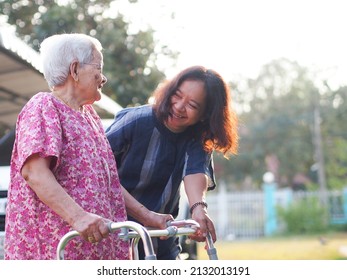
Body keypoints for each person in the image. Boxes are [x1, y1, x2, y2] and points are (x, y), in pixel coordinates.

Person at [4, 33, 130, 260]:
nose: (104, 78)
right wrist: (79, 217)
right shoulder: (44, 106)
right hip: (56, 252)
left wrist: (148, 215)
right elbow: (35, 173)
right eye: (98, 67)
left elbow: (109, 183)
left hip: (93, 252)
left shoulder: (90, 116)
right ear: (74, 70)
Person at [105, 65, 239, 259]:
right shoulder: (135, 121)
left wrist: (199, 211)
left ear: (206, 115)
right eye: (177, 95)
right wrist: (145, 215)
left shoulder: (197, 138)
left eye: (192, 105)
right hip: (115, 233)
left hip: (161, 238)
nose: (179, 107)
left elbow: (194, 173)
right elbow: (97, 171)